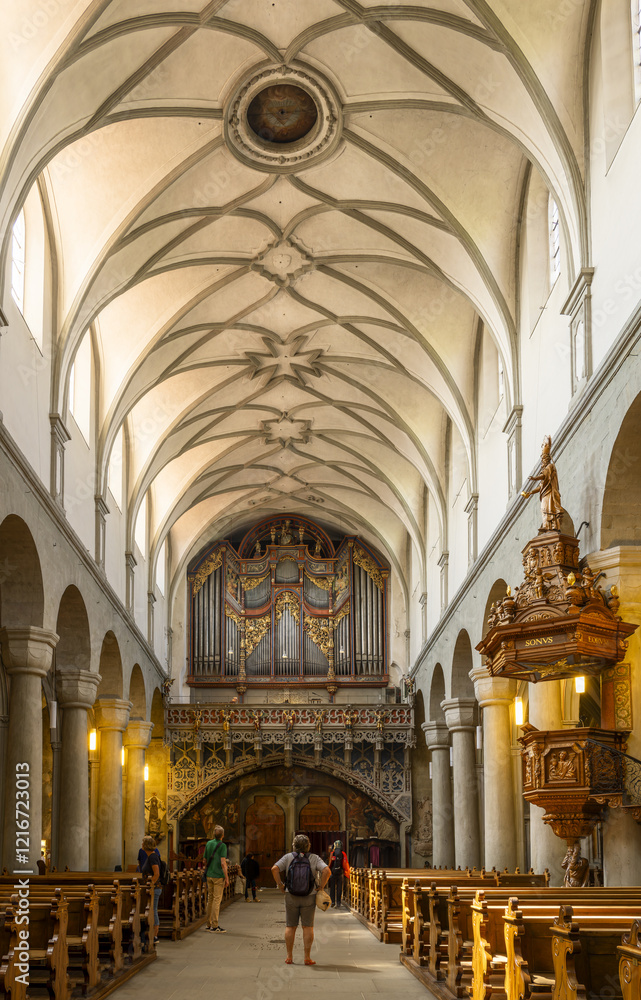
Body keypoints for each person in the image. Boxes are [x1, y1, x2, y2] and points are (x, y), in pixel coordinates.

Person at [271, 833, 330, 966]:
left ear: (294, 846)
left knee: (290, 926)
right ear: (308, 846)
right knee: (307, 926)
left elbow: (274, 869)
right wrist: (321, 887)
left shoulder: (288, 857)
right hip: (309, 896)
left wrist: (280, 885)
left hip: (291, 895)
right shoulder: (314, 858)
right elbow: (327, 871)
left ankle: (289, 957)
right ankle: (307, 958)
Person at [204, 824, 229, 932]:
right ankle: (215, 925)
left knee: (210, 899)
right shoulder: (222, 845)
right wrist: (226, 877)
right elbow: (223, 863)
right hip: (218, 875)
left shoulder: (208, 843)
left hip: (209, 874)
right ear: (222, 835)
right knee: (216, 900)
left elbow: (204, 860)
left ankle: (208, 924)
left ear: (214, 834)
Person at [140, 835, 162, 946]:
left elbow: (156, 873)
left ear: (147, 845)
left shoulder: (153, 857)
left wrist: (151, 886)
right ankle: (151, 934)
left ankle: (155, 935)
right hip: (153, 888)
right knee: (152, 910)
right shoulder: (150, 856)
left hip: (155, 889)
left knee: (153, 910)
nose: (141, 845)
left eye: (143, 843)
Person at [327, 840, 350, 908]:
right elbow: (345, 864)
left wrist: (329, 870)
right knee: (339, 888)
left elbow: (330, 864)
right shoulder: (343, 853)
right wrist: (347, 872)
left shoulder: (332, 853)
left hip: (333, 873)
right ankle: (339, 903)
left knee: (332, 888)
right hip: (340, 873)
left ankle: (332, 901)